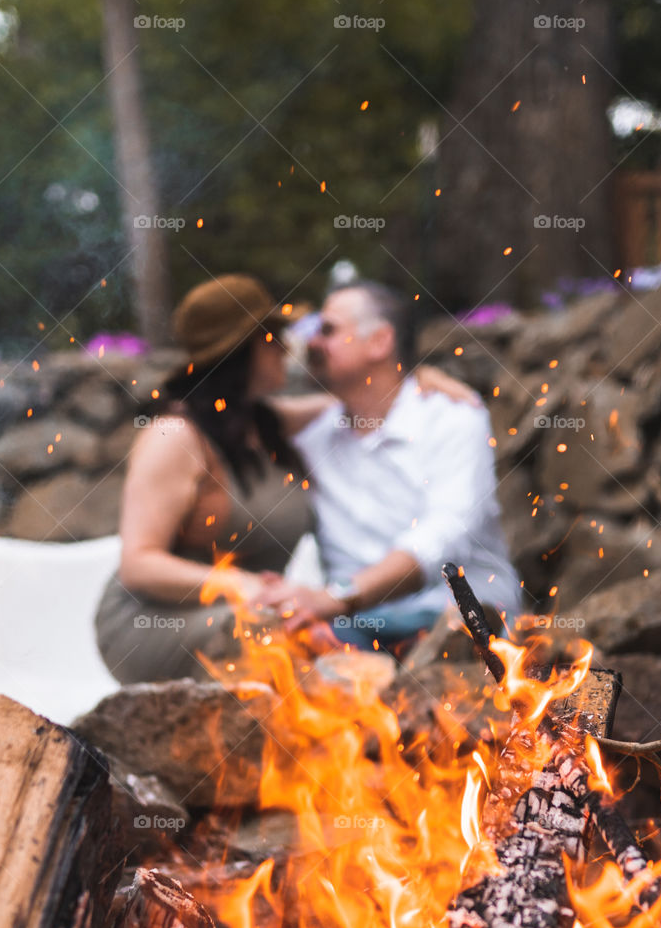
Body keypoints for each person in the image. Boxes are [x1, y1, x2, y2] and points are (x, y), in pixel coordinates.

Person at [95, 274, 476, 683]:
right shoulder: (174, 436)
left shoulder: (269, 423)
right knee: (281, 640)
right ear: (241, 351)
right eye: (272, 335)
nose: (288, 346)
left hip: (255, 612)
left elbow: (363, 399)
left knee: (303, 645)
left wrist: (415, 383)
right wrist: (242, 585)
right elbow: (138, 564)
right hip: (156, 620)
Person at [254, 281, 521, 649]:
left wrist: (336, 597)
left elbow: (444, 535)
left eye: (328, 330)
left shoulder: (453, 417)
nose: (312, 342)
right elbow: (237, 415)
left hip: (455, 617)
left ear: (380, 341)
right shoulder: (314, 437)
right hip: (350, 626)